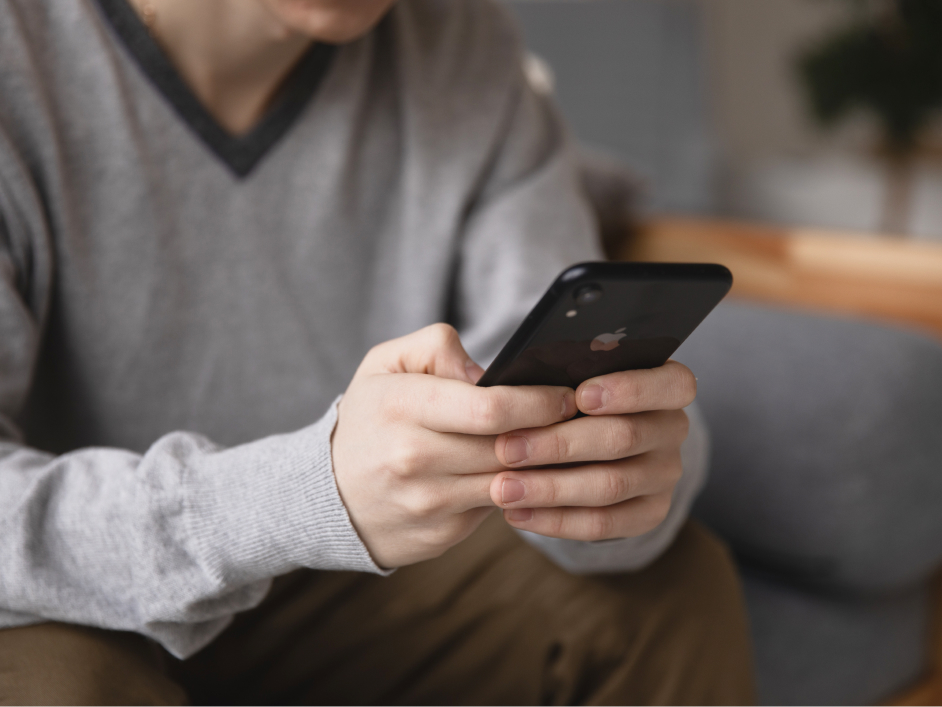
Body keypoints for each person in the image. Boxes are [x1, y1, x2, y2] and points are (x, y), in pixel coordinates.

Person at [0, 0, 755, 703]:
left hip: (329, 589)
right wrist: (303, 496)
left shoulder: (460, 45)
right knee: (67, 686)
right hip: (61, 598)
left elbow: (550, 367)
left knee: (673, 589)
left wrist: (614, 481)